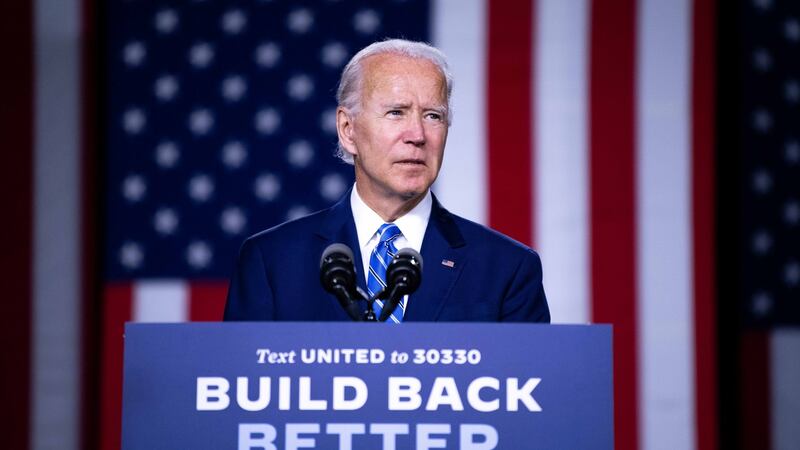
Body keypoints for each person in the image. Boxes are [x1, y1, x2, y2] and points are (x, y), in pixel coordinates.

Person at [224, 39, 550, 323]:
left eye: (433, 115)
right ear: (348, 129)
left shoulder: (508, 268)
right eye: (396, 112)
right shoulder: (271, 261)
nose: (418, 135)